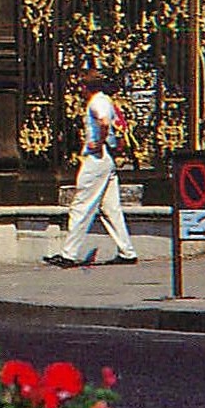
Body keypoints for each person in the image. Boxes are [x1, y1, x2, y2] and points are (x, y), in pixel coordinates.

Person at [44, 70, 138, 268]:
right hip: (107, 159)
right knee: (110, 208)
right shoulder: (106, 99)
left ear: (86, 88)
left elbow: (103, 121)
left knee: (81, 205)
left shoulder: (96, 102)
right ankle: (127, 251)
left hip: (96, 158)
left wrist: (99, 141)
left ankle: (68, 254)